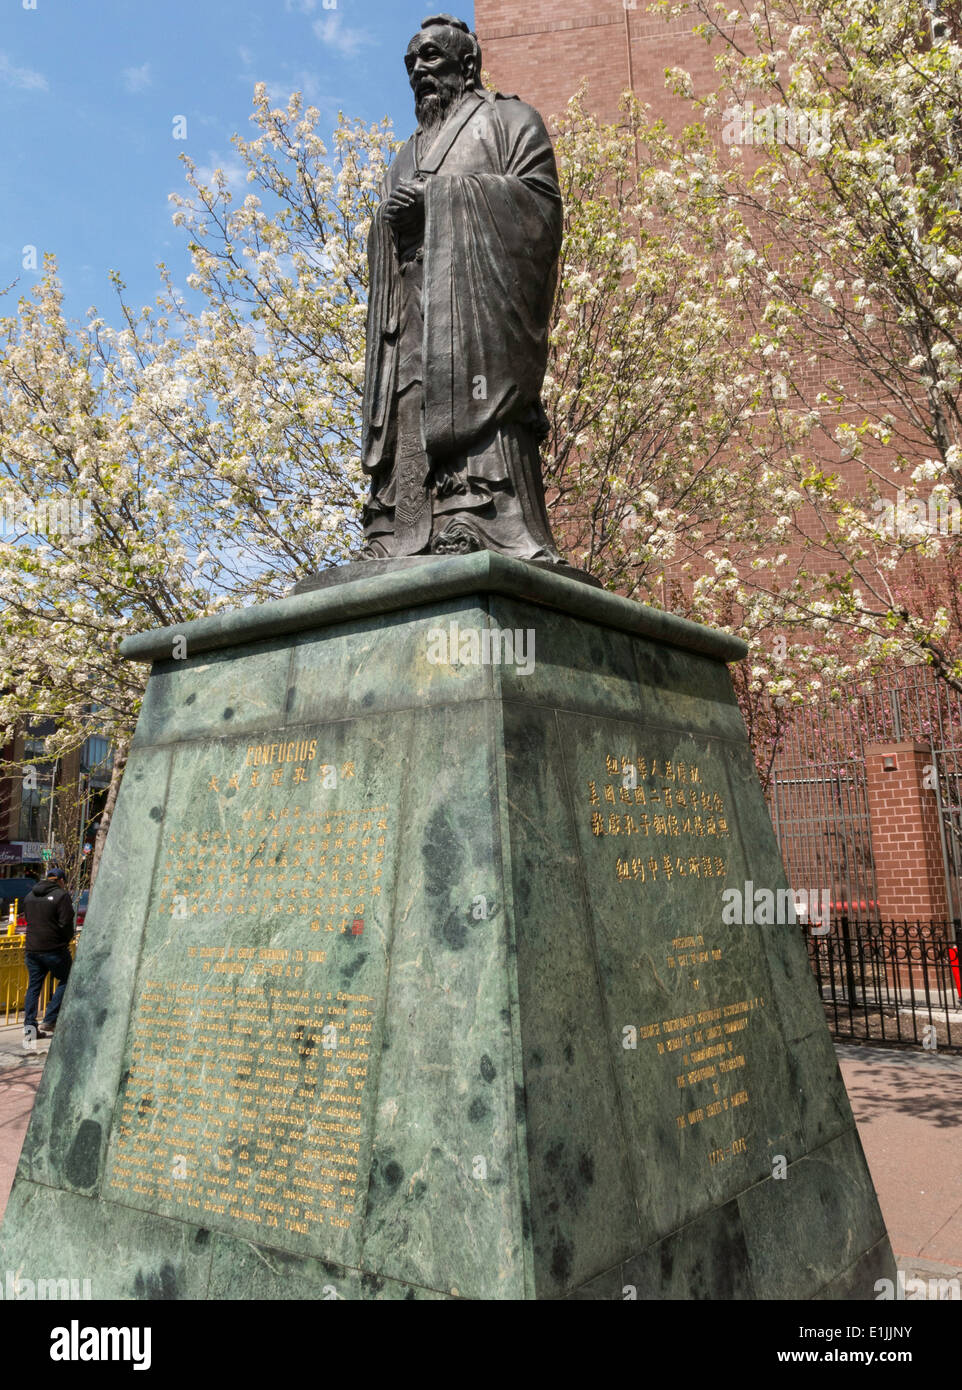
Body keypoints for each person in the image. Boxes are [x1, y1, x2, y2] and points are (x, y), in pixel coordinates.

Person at [360, 13, 564, 561]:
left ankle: (476, 515)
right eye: (410, 63)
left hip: (475, 314)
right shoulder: (403, 156)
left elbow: (541, 210)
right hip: (410, 313)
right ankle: (397, 529)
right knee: (409, 402)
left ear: (467, 62)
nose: (418, 72)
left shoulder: (511, 122)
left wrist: (441, 201)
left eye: (430, 57)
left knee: (472, 394)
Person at [22, 865, 74, 1049]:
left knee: (34, 987)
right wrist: (68, 938)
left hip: (32, 949)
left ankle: (29, 1029)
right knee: (68, 979)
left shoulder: (30, 896)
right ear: (60, 880)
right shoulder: (61, 896)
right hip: (54, 949)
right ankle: (49, 1019)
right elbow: (66, 922)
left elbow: (29, 919)